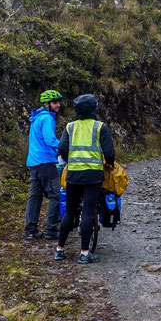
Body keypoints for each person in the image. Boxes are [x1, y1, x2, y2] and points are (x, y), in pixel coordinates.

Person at [55, 93, 114, 264]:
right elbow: (109, 153)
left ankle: (59, 250)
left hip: (73, 174)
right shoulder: (100, 127)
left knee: (70, 210)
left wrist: (70, 162)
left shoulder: (70, 127)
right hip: (93, 175)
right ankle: (84, 253)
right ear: (93, 109)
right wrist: (109, 164)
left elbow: (62, 149)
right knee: (88, 211)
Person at [24, 90, 64, 240]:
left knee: (34, 197)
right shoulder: (47, 118)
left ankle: (31, 230)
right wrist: (64, 147)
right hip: (46, 162)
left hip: (34, 163)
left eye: (59, 102)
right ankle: (51, 230)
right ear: (47, 104)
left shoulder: (36, 118)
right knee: (56, 195)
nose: (58, 105)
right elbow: (50, 140)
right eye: (55, 102)